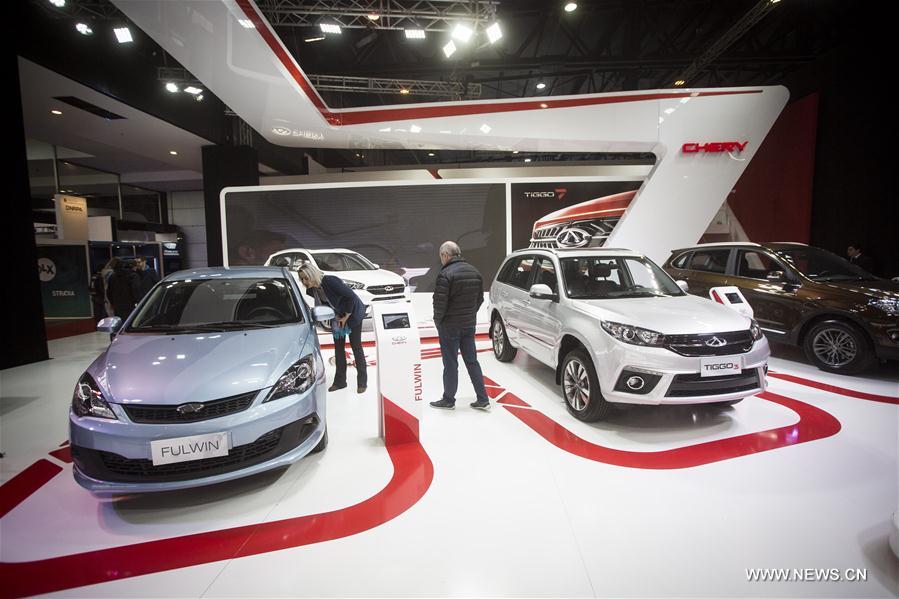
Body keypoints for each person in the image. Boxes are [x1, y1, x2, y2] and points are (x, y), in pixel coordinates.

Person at [429, 241, 490, 411]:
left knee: (450, 363)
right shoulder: (475, 271)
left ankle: (448, 399)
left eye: (441, 257)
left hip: (449, 326)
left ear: (445, 255)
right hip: (468, 324)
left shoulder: (445, 274)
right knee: (472, 361)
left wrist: (438, 322)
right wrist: (470, 314)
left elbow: (439, 304)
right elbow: (480, 299)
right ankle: (483, 398)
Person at [296, 261, 368, 393]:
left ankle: (362, 382)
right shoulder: (312, 289)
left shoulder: (330, 281)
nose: (304, 282)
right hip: (337, 317)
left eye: (306, 278)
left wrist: (346, 316)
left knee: (356, 346)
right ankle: (340, 382)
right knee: (339, 348)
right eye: (302, 279)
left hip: (352, 313)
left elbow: (351, 297)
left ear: (312, 275)